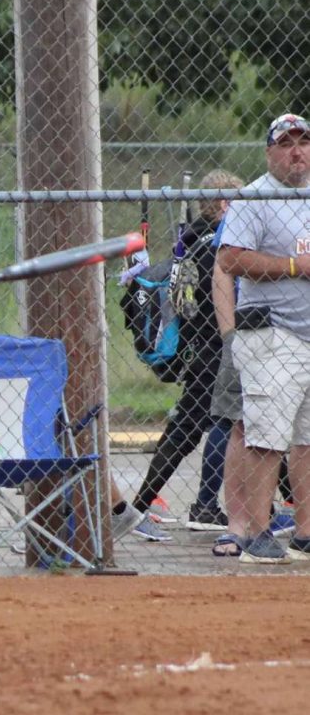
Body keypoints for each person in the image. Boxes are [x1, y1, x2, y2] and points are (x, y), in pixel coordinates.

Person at [217, 113, 310, 563]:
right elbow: (230, 259)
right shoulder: (255, 197)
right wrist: (294, 267)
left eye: (304, 142)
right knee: (266, 437)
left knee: (307, 440)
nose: (297, 151)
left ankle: (305, 535)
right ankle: (255, 534)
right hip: (273, 335)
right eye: (287, 143)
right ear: (270, 151)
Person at [129, 169, 244, 533]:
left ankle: (141, 504)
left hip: (200, 348)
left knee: (195, 428)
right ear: (224, 203)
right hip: (217, 346)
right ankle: (197, 505)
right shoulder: (217, 243)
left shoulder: (193, 239)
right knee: (221, 424)